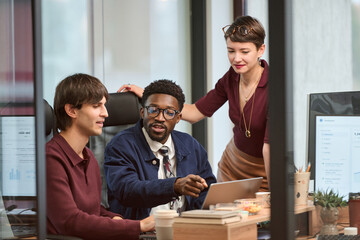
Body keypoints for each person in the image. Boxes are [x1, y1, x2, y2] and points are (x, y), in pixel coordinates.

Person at [118, 16, 270, 191]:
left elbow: (269, 149)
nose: (236, 58)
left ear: (260, 50)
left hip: (265, 169)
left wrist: (277, 194)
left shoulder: (274, 89)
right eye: (231, 51)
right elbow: (195, 113)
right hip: (233, 166)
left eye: (244, 52)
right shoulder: (231, 77)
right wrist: (148, 95)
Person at [46, 73, 155, 240]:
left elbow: (94, 211)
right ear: (71, 110)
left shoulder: (88, 155)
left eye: (104, 105)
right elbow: (69, 221)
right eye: (97, 106)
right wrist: (138, 226)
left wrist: (114, 219)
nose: (105, 114)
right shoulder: (51, 158)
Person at [104, 79, 216, 220]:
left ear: (178, 118)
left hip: (186, 229)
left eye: (169, 112)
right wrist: (174, 186)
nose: (160, 118)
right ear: (142, 112)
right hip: (143, 232)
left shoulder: (190, 145)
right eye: (153, 110)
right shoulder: (121, 145)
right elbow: (127, 190)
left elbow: (207, 190)